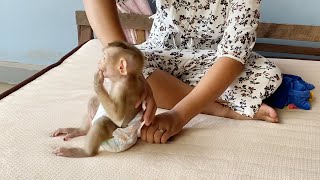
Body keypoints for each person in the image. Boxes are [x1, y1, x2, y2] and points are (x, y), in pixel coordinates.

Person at [83, 0, 282, 144]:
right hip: (162, 53)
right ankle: (220, 107)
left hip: (215, 59)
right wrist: (134, 76)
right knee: (126, 70)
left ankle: (205, 101)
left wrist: (178, 116)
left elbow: (233, 56)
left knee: (267, 75)